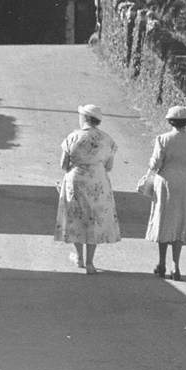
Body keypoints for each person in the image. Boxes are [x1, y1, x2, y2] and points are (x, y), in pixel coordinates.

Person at [55, 103, 121, 274]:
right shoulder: (108, 140)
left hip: (75, 179)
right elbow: (109, 166)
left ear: (84, 118)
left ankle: (79, 257)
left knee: (76, 216)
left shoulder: (72, 137)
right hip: (98, 180)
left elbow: (64, 165)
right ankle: (90, 262)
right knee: (94, 218)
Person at [145, 105, 186, 280]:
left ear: (170, 121)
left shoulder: (163, 139)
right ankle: (176, 266)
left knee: (164, 220)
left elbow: (155, 164)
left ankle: (161, 263)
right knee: (180, 222)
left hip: (166, 181)